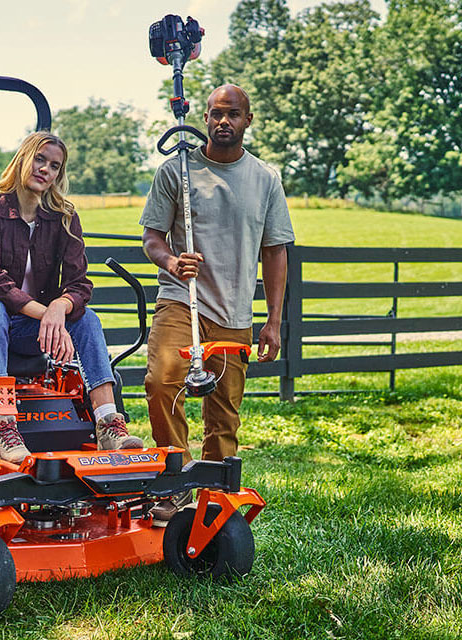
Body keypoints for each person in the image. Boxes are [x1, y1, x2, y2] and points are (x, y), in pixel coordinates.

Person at [139, 84, 294, 523]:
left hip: (235, 311)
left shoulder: (265, 179)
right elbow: (152, 237)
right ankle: (173, 485)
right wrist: (170, 259)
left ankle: (212, 491)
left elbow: (276, 250)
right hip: (182, 300)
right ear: (203, 118)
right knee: (163, 384)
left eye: (232, 114)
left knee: (223, 410)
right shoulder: (177, 171)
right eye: (214, 113)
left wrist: (273, 321)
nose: (223, 121)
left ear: (248, 120)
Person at [0, 131, 142, 463]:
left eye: (54, 166)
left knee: (87, 317)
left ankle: (109, 424)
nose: (45, 170)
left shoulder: (64, 218)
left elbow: (80, 284)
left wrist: (59, 308)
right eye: (40, 159)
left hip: (25, 328)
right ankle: (4, 428)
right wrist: (48, 315)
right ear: (24, 158)